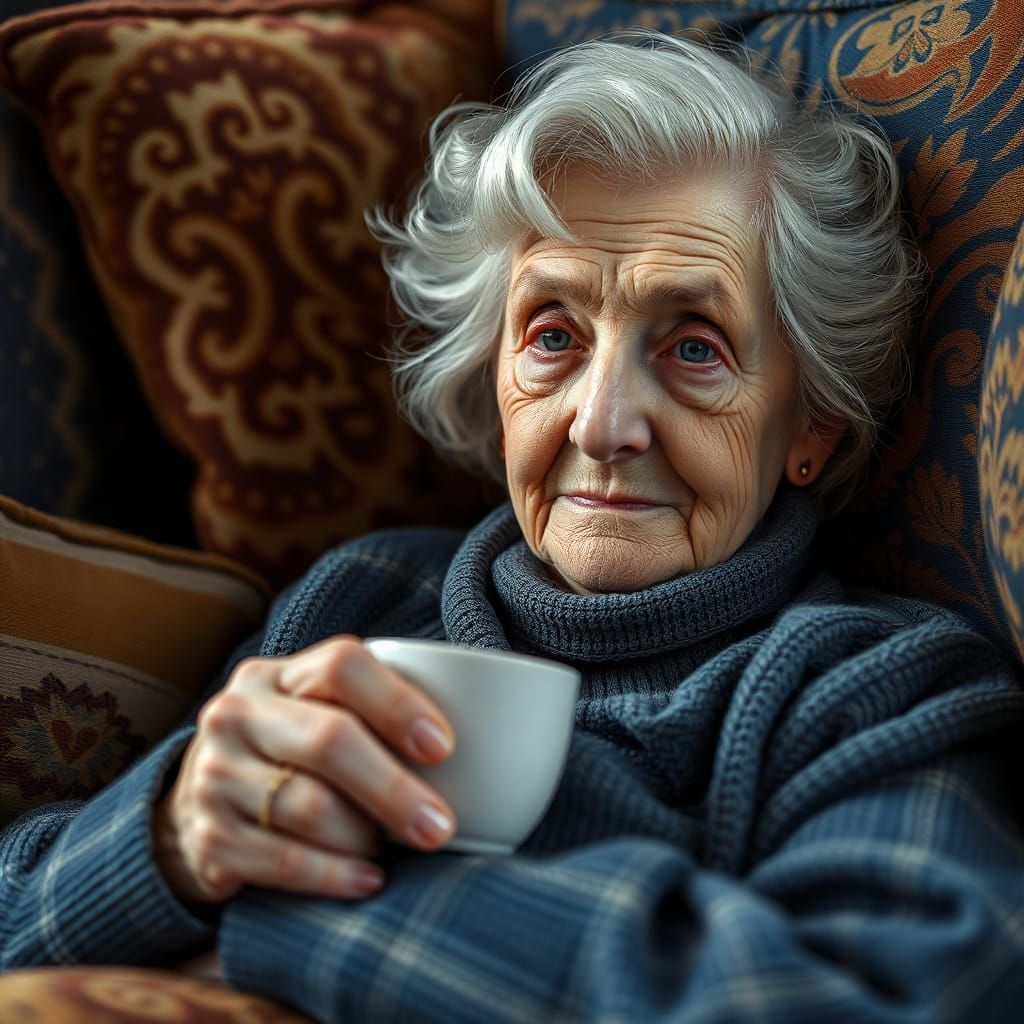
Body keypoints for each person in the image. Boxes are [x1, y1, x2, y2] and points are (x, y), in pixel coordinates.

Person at [3, 30, 1024, 1022]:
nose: (602, 421)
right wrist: (175, 831)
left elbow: (894, 994)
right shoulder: (362, 601)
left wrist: (286, 902)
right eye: (551, 335)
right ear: (494, 380)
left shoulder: (876, 688)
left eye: (696, 347)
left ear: (811, 425)